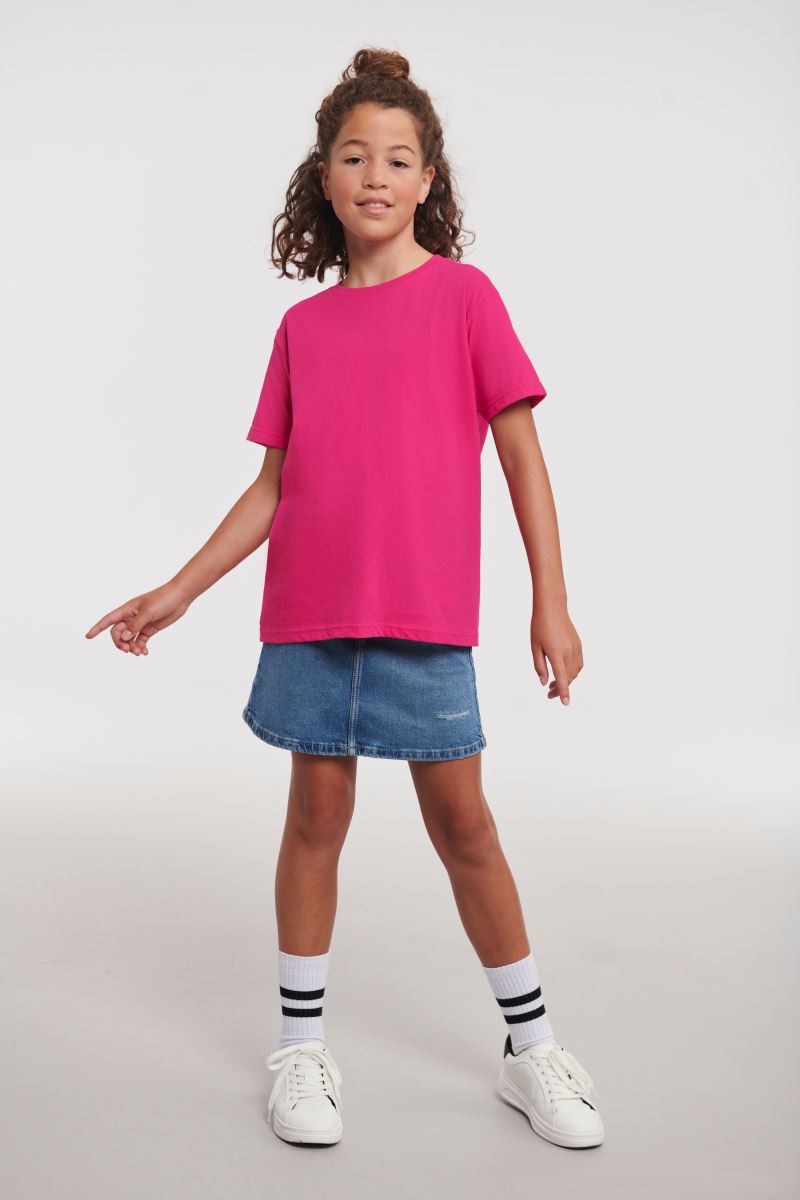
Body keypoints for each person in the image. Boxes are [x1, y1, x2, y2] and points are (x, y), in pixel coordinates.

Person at [85, 46, 604, 1151]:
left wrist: (549, 603)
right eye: (355, 156)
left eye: (399, 158)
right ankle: (301, 1050)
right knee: (314, 821)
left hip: (425, 622)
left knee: (465, 827)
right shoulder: (303, 331)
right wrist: (178, 591)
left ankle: (531, 1049)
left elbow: (522, 458)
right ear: (322, 178)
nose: (376, 175)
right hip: (311, 621)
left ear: (428, 181)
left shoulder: (464, 299)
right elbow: (274, 487)